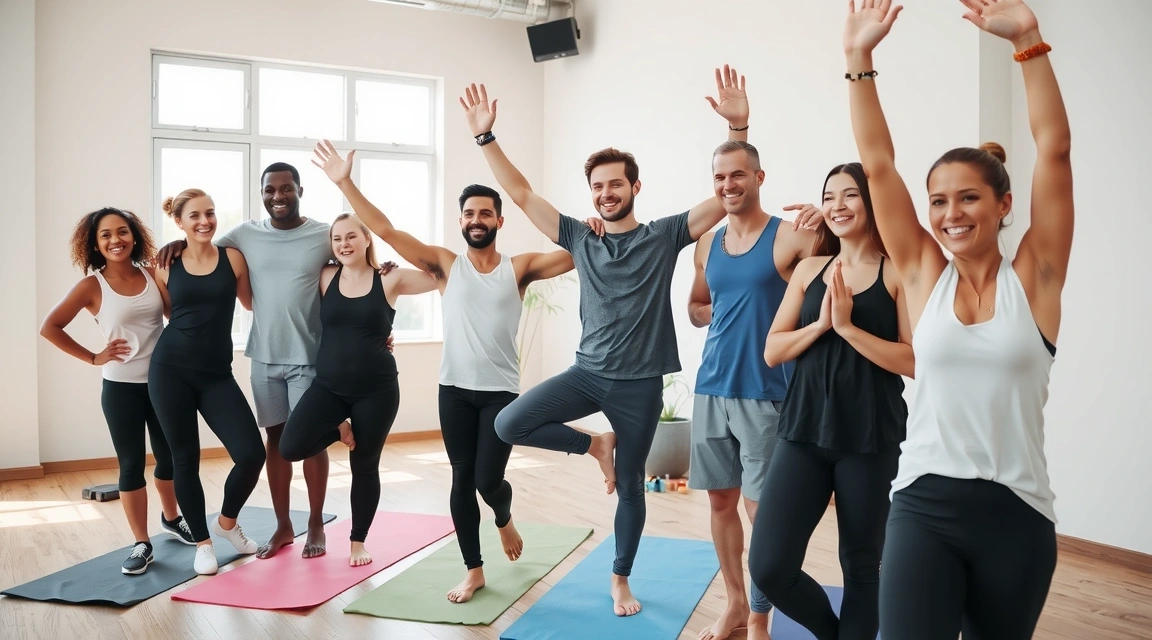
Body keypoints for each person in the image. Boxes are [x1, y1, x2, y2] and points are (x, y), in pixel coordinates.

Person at [459, 65, 748, 618]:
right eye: (597, 186)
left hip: (639, 385)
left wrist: (737, 130)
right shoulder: (577, 235)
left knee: (633, 491)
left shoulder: (663, 236)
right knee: (507, 423)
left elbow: (723, 199)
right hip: (587, 373)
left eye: (616, 183)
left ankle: (620, 578)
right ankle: (596, 445)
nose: (606, 193)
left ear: (634, 187)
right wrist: (484, 135)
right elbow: (519, 193)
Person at [843, 0, 1072, 637]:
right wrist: (858, 60)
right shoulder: (922, 274)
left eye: (969, 197)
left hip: (1018, 513)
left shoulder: (1036, 279)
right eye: (938, 201)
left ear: (1003, 204)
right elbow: (878, 164)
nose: (951, 214)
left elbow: (1053, 151)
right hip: (924, 504)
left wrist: (1027, 40)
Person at [749, 162, 912, 640]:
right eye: (830, 196)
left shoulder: (896, 271)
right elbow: (773, 349)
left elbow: (914, 359)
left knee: (862, 568)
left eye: (851, 195)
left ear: (871, 202)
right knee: (769, 565)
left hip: (869, 439)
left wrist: (848, 329)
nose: (838, 206)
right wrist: (820, 325)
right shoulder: (809, 269)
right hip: (802, 434)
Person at [158, 163, 347, 560]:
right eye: (270, 190)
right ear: (261, 193)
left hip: (308, 357)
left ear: (300, 189)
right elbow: (203, 247)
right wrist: (174, 244)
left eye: (286, 188)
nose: (278, 196)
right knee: (275, 442)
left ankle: (314, 522)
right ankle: (283, 526)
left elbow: (356, 256)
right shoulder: (244, 235)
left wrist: (381, 289)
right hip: (263, 358)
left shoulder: (323, 234)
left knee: (310, 441)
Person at [687, 136, 822, 640]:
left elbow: (855, 256)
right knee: (721, 502)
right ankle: (736, 604)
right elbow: (697, 306)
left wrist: (827, 218)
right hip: (711, 387)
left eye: (737, 175)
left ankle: (763, 616)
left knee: (761, 510)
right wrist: (719, 313)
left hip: (768, 390)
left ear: (759, 178)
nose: (728, 185)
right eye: (720, 177)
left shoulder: (790, 236)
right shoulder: (708, 243)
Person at [39, 208, 196, 575]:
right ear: (95, 244)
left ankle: (171, 518)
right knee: (131, 466)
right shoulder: (91, 286)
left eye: (122, 232)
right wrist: (94, 357)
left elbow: (175, 317)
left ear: (134, 236)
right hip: (121, 388)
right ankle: (142, 543)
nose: (115, 240)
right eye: (106, 235)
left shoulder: (151, 273)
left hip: (163, 383)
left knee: (170, 458)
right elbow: (51, 327)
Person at [278, 213, 437, 567]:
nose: (344, 244)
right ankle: (339, 428)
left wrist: (399, 249)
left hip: (376, 390)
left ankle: (357, 542)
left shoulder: (389, 278)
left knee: (364, 464)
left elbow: (438, 275)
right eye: (337, 239)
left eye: (351, 236)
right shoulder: (326, 276)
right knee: (290, 447)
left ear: (367, 239)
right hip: (329, 387)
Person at [149, 189, 267, 575]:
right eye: (194, 215)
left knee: (252, 454)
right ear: (179, 222)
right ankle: (202, 544)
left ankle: (226, 524)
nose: (205, 221)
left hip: (217, 374)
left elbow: (251, 303)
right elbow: (168, 313)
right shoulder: (164, 264)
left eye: (211, 213)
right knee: (186, 459)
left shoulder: (232, 258)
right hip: (170, 371)